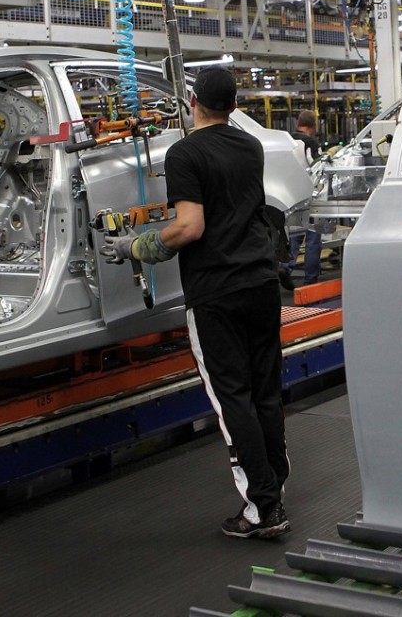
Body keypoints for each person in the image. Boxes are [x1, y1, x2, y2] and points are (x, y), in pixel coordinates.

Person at [100, 67, 290, 540]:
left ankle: (263, 508)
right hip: (261, 283)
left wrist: (134, 246)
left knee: (234, 400)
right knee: (264, 389)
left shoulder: (184, 153)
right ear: (233, 104)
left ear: (193, 101)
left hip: (216, 292)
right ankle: (275, 483)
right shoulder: (250, 145)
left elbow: (189, 227)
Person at [286, 109, 323, 285]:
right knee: (313, 239)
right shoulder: (310, 142)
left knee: (294, 236)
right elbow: (317, 166)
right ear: (313, 126)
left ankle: (286, 267)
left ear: (297, 124)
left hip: (292, 196)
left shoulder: (286, 141)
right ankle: (310, 282)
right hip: (311, 196)